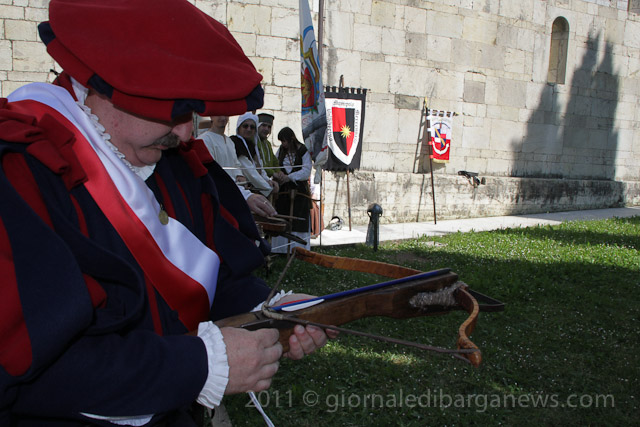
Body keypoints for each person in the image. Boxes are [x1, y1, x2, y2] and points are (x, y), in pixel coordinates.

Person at [0, 0, 331, 425]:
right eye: (173, 110)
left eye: (190, 112)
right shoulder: (22, 171)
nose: (186, 131)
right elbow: (36, 370)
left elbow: (212, 276)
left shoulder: (175, 161)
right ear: (107, 87)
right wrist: (198, 367)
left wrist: (271, 307)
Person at [198, 115, 276, 217]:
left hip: (234, 194)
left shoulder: (230, 142)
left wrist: (239, 175)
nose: (223, 118)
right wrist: (246, 195)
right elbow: (213, 176)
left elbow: (236, 164)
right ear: (212, 116)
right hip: (217, 198)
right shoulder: (204, 140)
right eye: (218, 114)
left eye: (225, 114)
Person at [272, 127, 313, 253]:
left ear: (291, 139)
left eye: (284, 141)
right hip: (283, 192)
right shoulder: (281, 151)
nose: (283, 144)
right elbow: (274, 165)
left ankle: (299, 250)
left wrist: (289, 177)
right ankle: (281, 250)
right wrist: (278, 174)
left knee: (298, 219)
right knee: (282, 217)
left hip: (299, 192)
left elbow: (306, 171)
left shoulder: (303, 151)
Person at [230, 113, 279, 198]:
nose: (249, 129)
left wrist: (268, 180)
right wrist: (268, 188)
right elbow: (249, 171)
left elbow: (260, 167)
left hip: (255, 188)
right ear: (239, 127)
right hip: (242, 191)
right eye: (245, 126)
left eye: (252, 127)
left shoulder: (252, 145)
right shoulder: (235, 142)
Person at [256, 113, 280, 177]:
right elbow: (259, 164)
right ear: (257, 126)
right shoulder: (253, 142)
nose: (266, 129)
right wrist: (273, 173)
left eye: (269, 127)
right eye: (264, 125)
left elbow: (274, 161)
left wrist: (279, 172)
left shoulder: (268, 144)